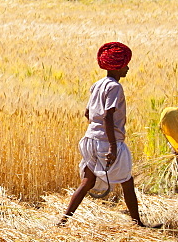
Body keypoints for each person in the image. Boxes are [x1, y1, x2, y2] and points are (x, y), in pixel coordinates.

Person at [59, 42, 144, 227]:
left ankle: (63, 221)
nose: (127, 68)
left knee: (87, 181)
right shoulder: (115, 87)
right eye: (125, 65)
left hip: (90, 139)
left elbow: (88, 113)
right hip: (107, 141)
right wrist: (113, 146)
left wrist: (96, 130)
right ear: (117, 67)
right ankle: (138, 223)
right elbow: (108, 115)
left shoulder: (97, 85)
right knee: (127, 183)